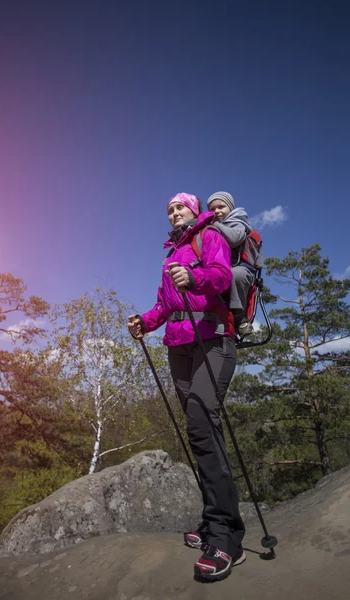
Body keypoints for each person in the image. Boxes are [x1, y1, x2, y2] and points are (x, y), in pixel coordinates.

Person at [127, 192, 245, 582]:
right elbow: (164, 305)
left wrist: (193, 275)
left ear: (194, 211)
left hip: (213, 338)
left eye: (180, 207)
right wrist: (144, 322)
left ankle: (227, 538)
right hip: (179, 346)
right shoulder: (169, 256)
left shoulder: (208, 235)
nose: (175, 212)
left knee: (200, 421)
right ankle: (216, 520)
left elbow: (222, 275)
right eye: (170, 209)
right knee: (202, 434)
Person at [206, 191, 255, 337]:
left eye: (221, 207)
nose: (217, 211)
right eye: (212, 209)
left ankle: (239, 317)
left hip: (239, 268)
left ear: (231, 208)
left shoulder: (238, 222)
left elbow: (234, 239)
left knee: (236, 274)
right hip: (219, 269)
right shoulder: (211, 228)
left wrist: (215, 225)